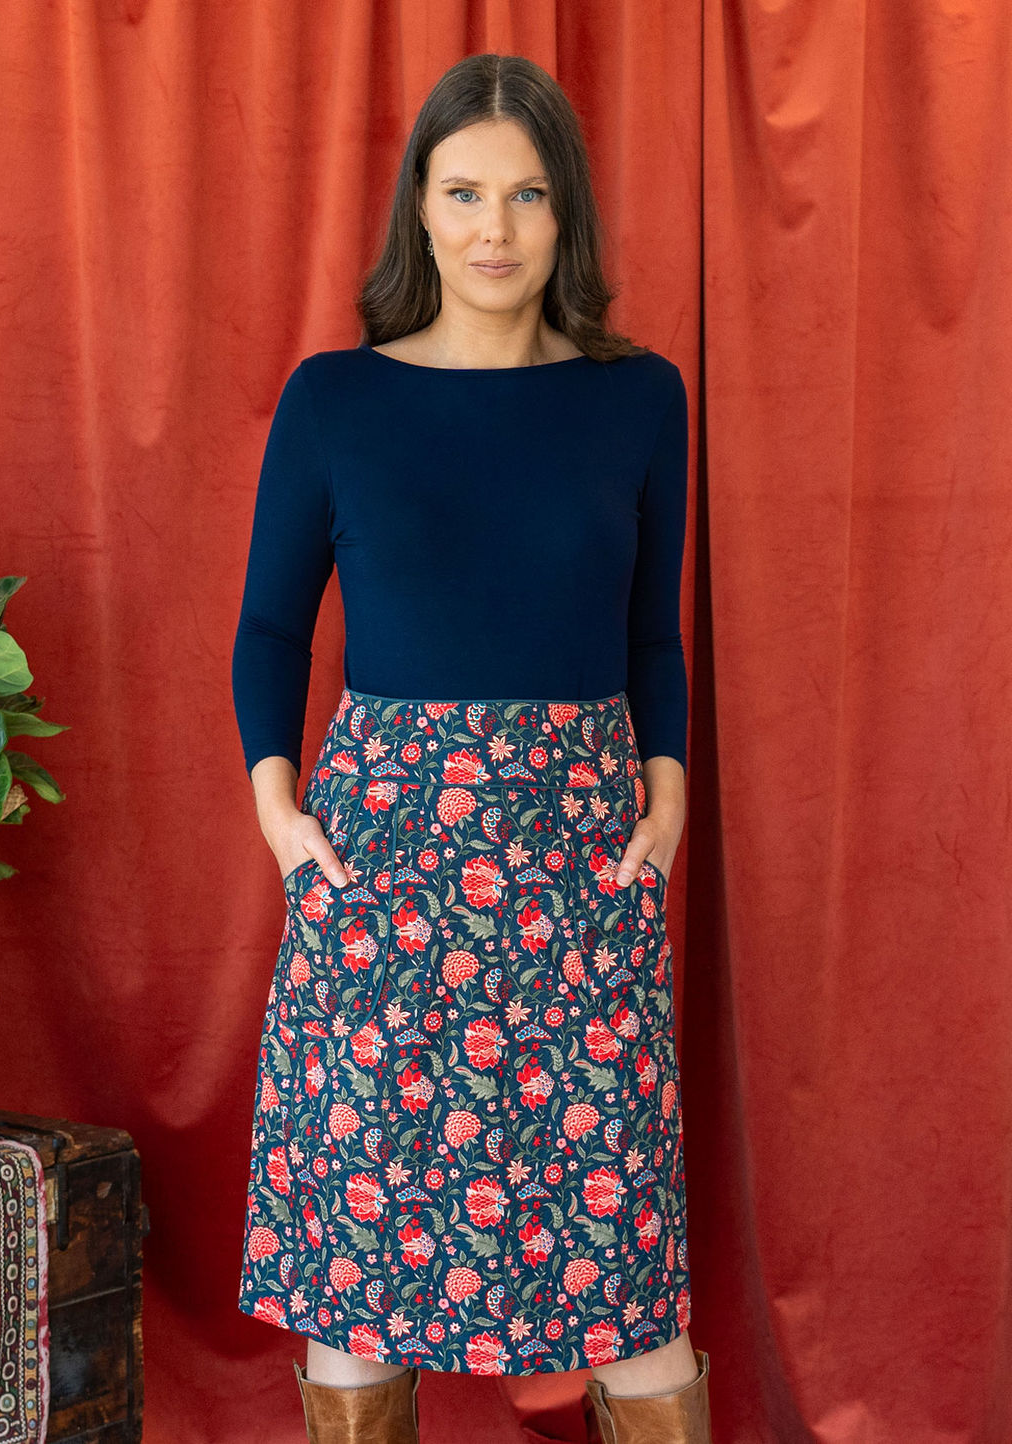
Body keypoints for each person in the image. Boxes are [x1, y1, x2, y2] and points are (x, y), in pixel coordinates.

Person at [232, 51, 711, 1444]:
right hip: (381, 867)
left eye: (528, 194)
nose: (494, 226)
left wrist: (665, 796)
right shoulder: (336, 400)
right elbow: (270, 630)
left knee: (627, 1288)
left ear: (567, 220)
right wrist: (283, 816)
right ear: (420, 210)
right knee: (358, 1283)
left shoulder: (639, 399)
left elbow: (650, 638)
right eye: (464, 191)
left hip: (579, 868)